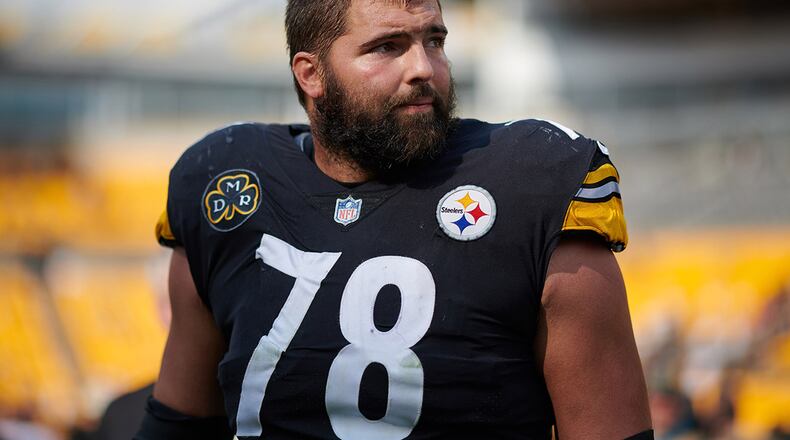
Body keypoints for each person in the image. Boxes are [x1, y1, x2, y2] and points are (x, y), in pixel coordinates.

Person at [136, 0, 653, 439]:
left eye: (434, 40)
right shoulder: (224, 183)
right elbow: (178, 425)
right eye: (387, 47)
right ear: (310, 74)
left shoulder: (532, 178)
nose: (423, 68)